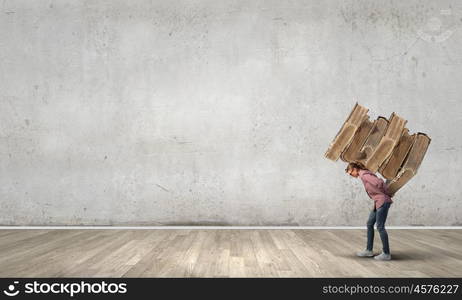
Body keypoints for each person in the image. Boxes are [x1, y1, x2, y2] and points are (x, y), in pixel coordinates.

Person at [345, 162, 393, 261]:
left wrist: (385, 194)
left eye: (350, 173)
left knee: (380, 227)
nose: (351, 175)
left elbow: (379, 183)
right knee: (370, 223)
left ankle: (386, 253)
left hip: (382, 201)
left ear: (355, 169)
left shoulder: (364, 175)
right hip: (378, 202)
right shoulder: (364, 175)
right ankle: (368, 250)